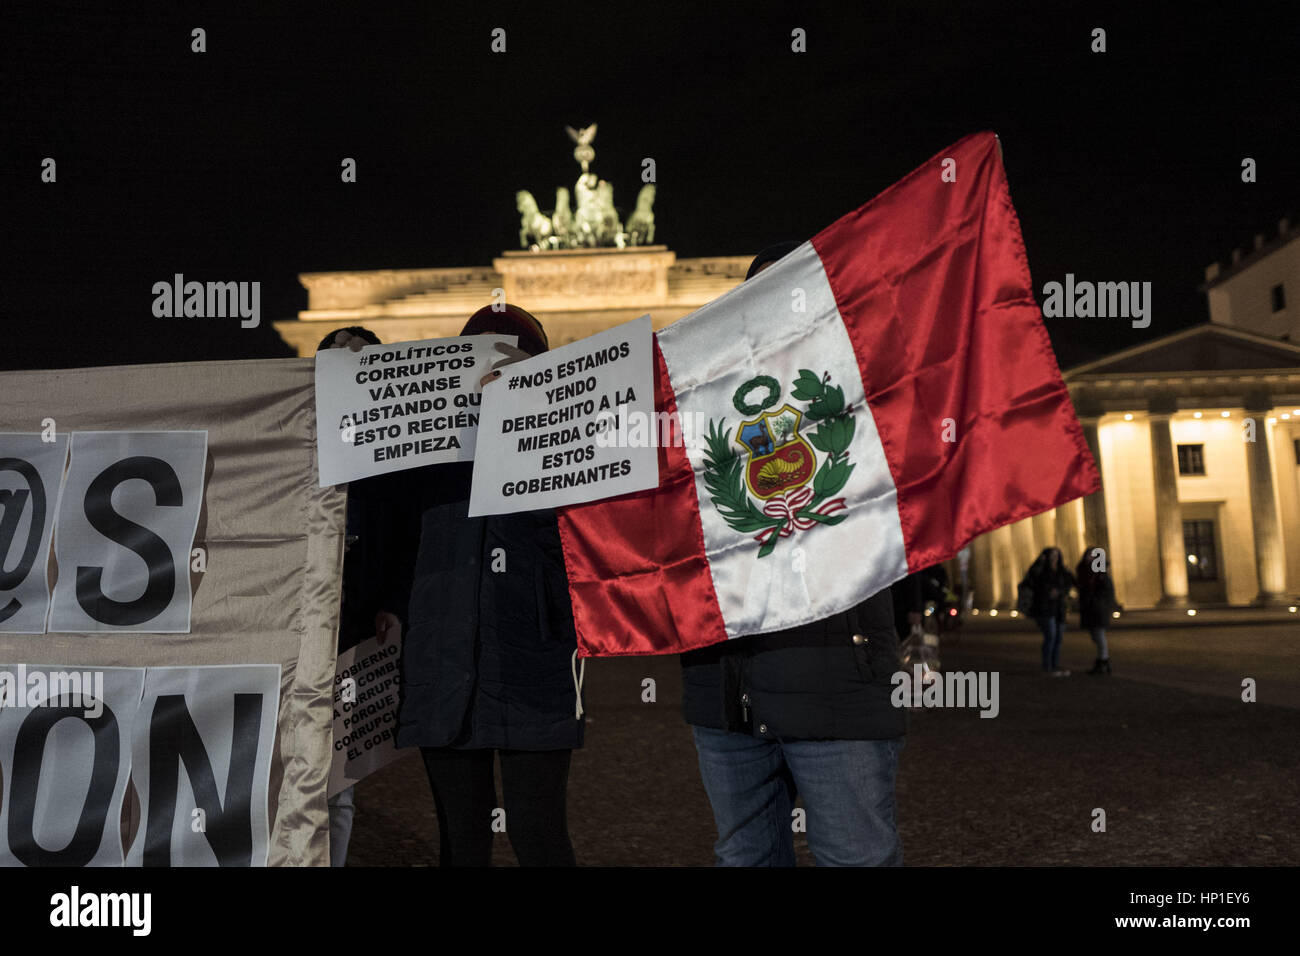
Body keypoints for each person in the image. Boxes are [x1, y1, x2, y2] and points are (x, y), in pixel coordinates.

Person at [680, 241, 905, 867]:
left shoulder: (863, 394)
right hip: (724, 689)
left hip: (836, 683)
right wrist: (512, 415)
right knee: (746, 860)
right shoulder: (696, 399)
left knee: (855, 859)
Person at [392, 304, 583, 867]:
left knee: (540, 833)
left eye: (514, 359)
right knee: (461, 843)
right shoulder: (423, 448)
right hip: (444, 665)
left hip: (535, 665)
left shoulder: (566, 447)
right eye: (482, 357)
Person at [317, 326, 409, 867]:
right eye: (337, 363)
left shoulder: (392, 453)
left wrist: (391, 601)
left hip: (354, 628)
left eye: (359, 362)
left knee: (339, 777)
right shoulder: (296, 437)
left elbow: (404, 536)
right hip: (299, 624)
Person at [1020, 547, 1076, 676]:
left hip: (1059, 608)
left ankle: (1054, 664)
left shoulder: (1062, 571)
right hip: (1044, 608)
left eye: (1056, 555)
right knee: (1050, 636)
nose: (1054, 558)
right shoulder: (1040, 570)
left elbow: (1070, 582)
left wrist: (1061, 592)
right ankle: (1047, 666)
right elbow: (1030, 581)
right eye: (1051, 555)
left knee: (1058, 638)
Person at [1075, 547, 1117, 675]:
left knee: (1099, 635)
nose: (1089, 558)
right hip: (1090, 608)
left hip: (1098, 609)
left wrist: (1097, 602)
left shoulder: (1101, 574)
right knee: (1095, 635)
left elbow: (1107, 592)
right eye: (1088, 555)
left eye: (1092, 556)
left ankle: (1103, 661)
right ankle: (1103, 660)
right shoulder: (1085, 572)